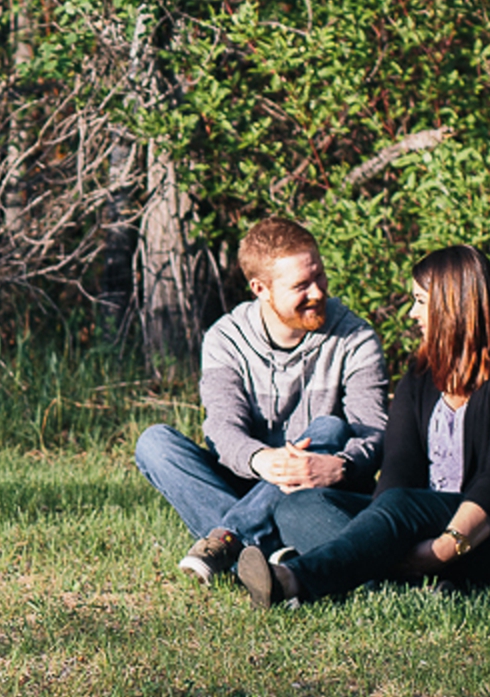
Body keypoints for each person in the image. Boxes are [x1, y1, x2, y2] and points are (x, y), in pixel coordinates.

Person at [232, 243, 490, 607]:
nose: (412, 313)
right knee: (298, 506)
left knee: (402, 505)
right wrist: (385, 538)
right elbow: (399, 470)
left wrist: (444, 549)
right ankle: (411, 581)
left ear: (455, 305)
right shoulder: (420, 376)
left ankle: (293, 578)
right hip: (423, 519)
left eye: (420, 301)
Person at [134, 214, 388, 581]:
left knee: (331, 426)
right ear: (260, 288)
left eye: (319, 275)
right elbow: (223, 430)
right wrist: (262, 461)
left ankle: (229, 542)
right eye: (302, 284)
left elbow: (375, 431)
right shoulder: (226, 339)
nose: (317, 291)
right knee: (154, 443)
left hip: (317, 490)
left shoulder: (356, 338)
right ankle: (275, 558)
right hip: (250, 478)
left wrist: (343, 465)